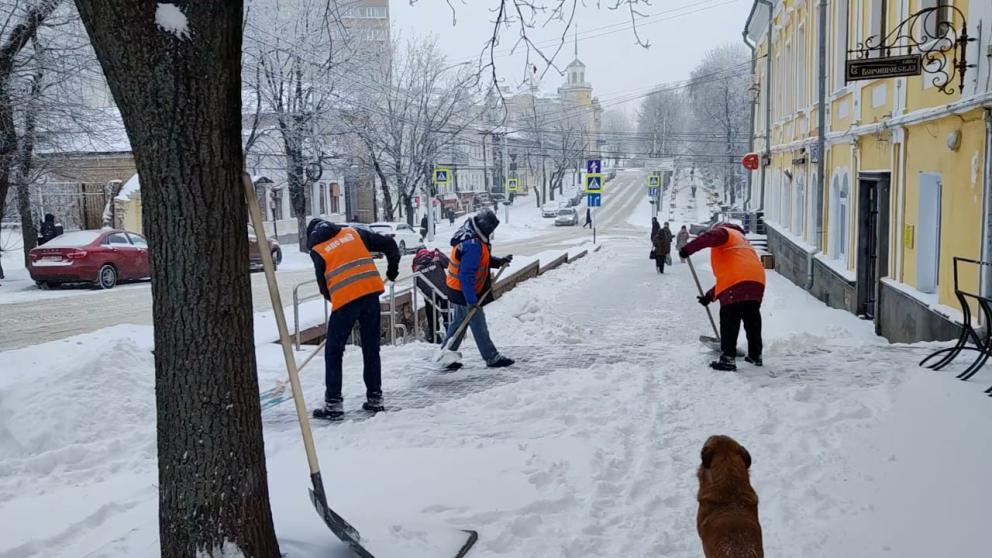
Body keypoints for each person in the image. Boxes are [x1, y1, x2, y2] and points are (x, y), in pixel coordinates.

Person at [307, 218, 400, 420]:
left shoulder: (318, 250)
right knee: (371, 347)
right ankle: (375, 398)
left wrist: (340, 301)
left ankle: (333, 404)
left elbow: (324, 287)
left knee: (333, 351)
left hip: (346, 302)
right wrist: (393, 268)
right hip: (370, 294)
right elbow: (389, 244)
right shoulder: (352, 233)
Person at [679, 223, 766, 372]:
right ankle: (755, 355)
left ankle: (728, 359)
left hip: (737, 282)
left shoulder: (724, 233)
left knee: (729, 320)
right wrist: (709, 297)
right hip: (757, 282)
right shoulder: (742, 241)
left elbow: (708, 237)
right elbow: (730, 278)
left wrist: (687, 249)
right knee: (752, 320)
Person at [440, 209, 515, 370]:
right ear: (486, 227)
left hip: (458, 289)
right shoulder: (473, 244)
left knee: (459, 323)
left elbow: (481, 260)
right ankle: (491, 357)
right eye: (492, 229)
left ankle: (446, 354)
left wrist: (498, 261)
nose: (492, 233)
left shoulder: (471, 235)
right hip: (464, 291)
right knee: (478, 323)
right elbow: (466, 274)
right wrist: (472, 301)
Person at [412, 248, 451, 344]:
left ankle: (434, 336)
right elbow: (448, 264)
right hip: (443, 289)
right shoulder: (435, 255)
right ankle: (451, 334)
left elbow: (416, 280)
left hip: (429, 293)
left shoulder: (416, 262)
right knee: (446, 312)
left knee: (432, 314)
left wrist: (425, 290)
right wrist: (439, 253)